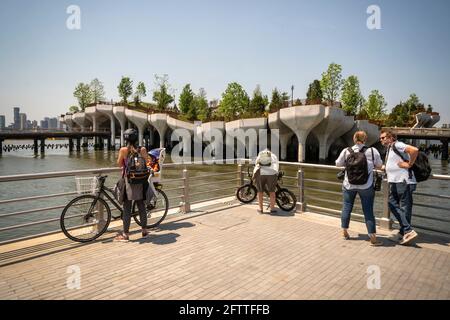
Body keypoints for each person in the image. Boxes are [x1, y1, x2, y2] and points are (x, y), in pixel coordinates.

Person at [336, 131, 383, 246]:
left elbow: (338, 164)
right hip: (366, 185)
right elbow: (379, 165)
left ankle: (345, 231)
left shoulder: (346, 151)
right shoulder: (372, 151)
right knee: (368, 210)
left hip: (349, 185)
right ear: (365, 139)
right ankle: (372, 237)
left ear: (354, 139)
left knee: (347, 207)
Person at [380, 129, 419, 245]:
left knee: (404, 208)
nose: (381, 140)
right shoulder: (390, 148)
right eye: (380, 138)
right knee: (392, 204)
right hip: (395, 181)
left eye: (383, 138)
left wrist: (409, 164)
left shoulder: (398, 144)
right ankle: (404, 232)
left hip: (404, 181)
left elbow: (414, 150)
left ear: (391, 138)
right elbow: (394, 162)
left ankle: (407, 231)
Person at [114, 128, 149, 242]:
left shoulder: (123, 150)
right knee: (141, 206)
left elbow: (119, 164)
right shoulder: (142, 149)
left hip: (128, 181)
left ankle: (126, 234)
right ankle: (144, 230)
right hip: (140, 181)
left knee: (127, 208)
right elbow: (147, 162)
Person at [252, 149, 279, 214]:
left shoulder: (261, 154)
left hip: (260, 173)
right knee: (272, 192)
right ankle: (272, 209)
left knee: (260, 191)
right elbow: (277, 164)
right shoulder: (274, 156)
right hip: (271, 173)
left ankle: (260, 209)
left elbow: (256, 163)